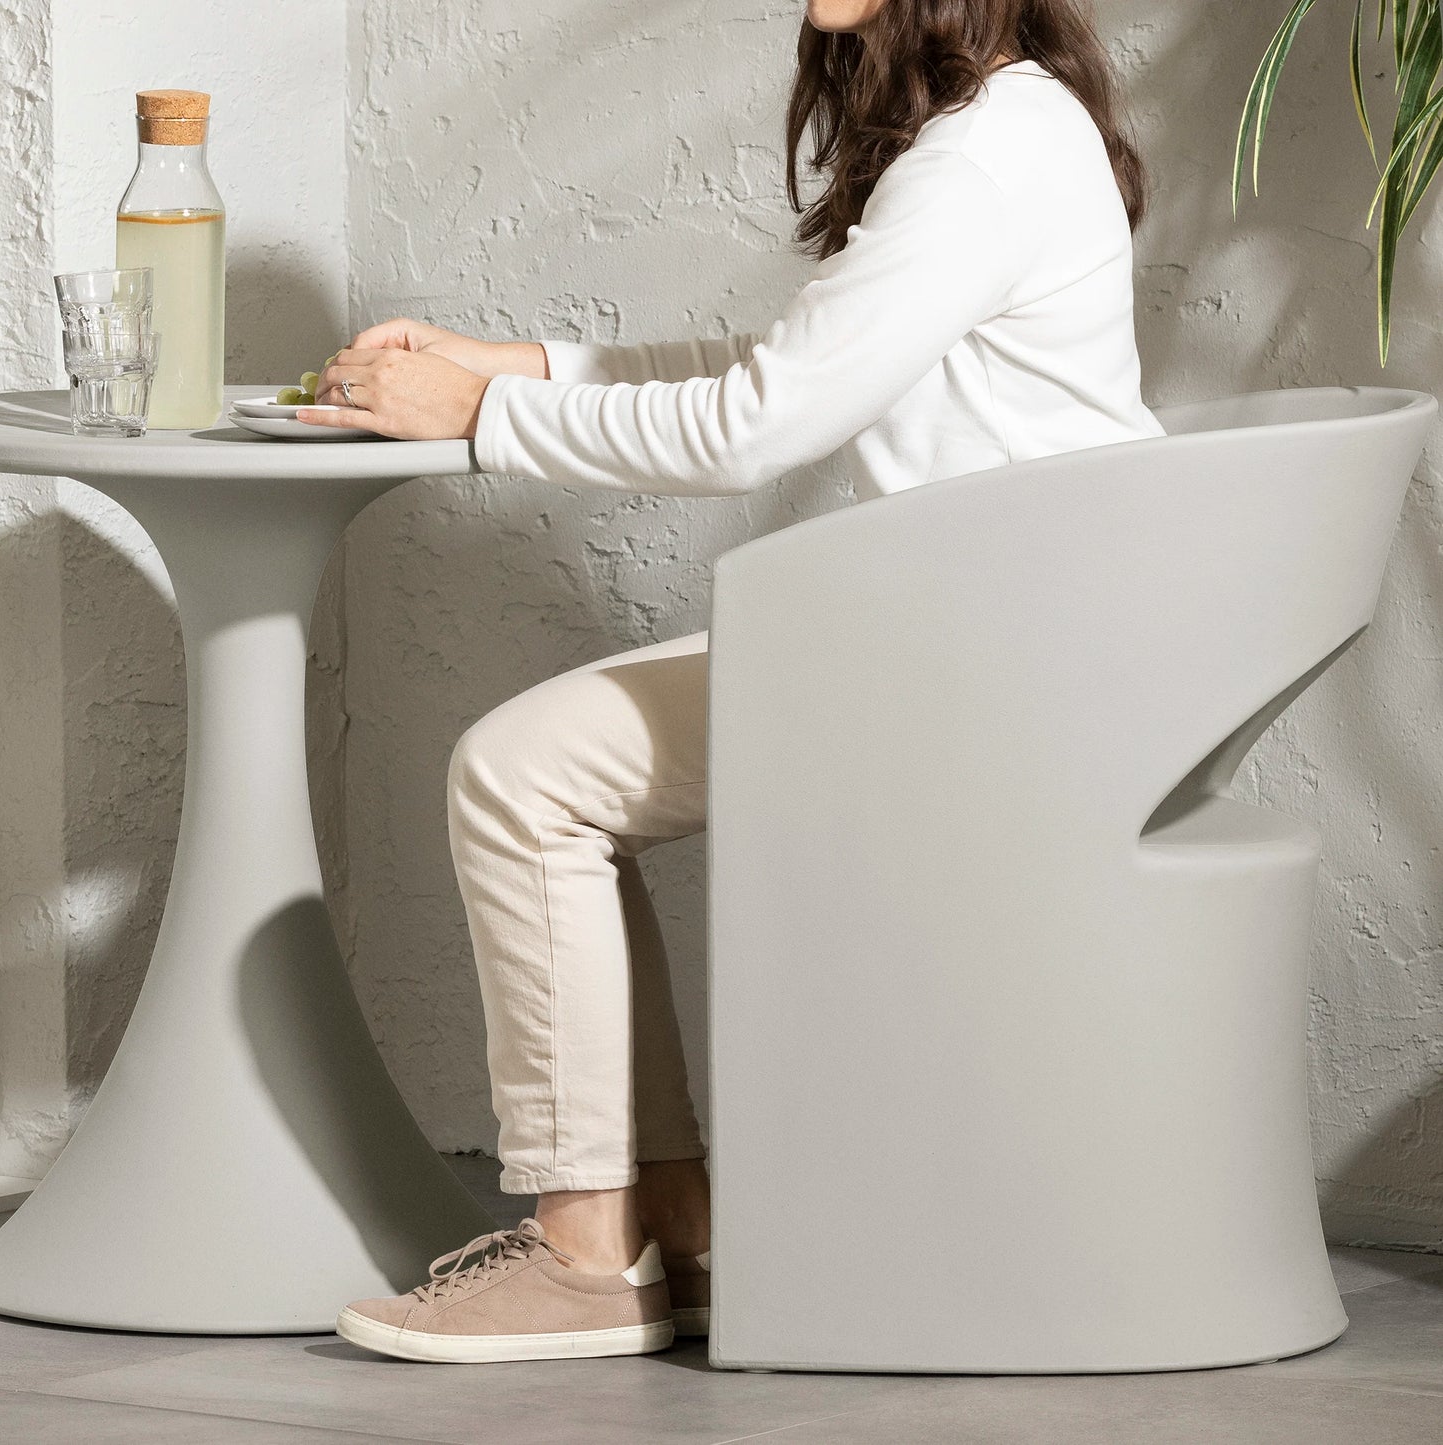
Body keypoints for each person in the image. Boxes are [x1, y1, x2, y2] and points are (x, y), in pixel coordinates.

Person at [314, 0, 1166, 1365]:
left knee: (521, 777)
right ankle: (673, 1226)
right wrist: (504, 365)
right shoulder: (1005, 124)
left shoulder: (977, 159)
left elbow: (754, 426)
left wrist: (479, 416)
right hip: (1002, 637)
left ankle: (588, 1254)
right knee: (535, 769)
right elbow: (784, 375)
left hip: (984, 666)